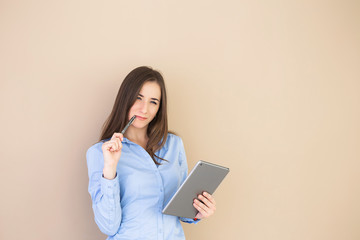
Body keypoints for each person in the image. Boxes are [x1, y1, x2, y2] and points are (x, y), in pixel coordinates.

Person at [86, 66, 217, 239]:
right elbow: (108, 226)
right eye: (138, 98)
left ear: (159, 109)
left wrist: (197, 212)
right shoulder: (98, 153)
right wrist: (110, 168)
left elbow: (180, 208)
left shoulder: (174, 144)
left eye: (153, 102)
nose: (144, 109)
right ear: (125, 99)